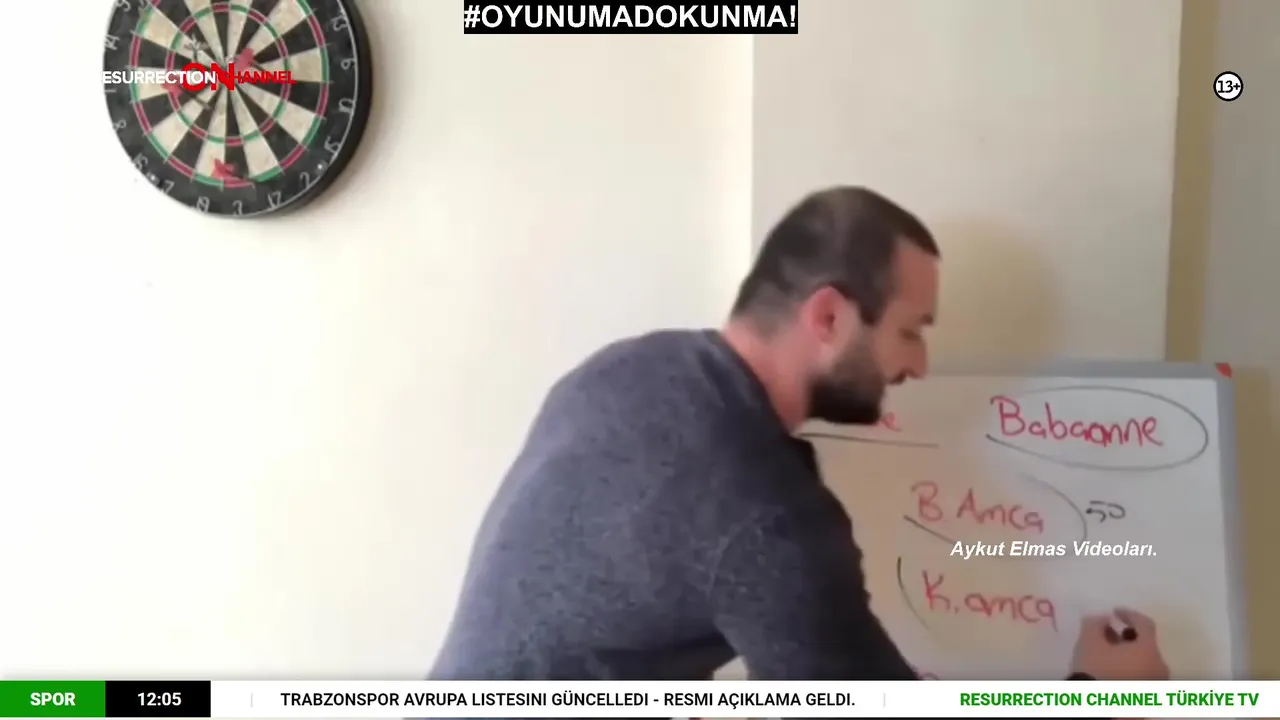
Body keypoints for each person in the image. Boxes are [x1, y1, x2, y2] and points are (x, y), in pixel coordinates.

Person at [428, 186, 1170, 683]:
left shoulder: (629, 369)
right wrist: (1098, 690)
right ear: (829, 317)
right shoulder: (765, 517)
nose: (919, 364)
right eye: (911, 331)